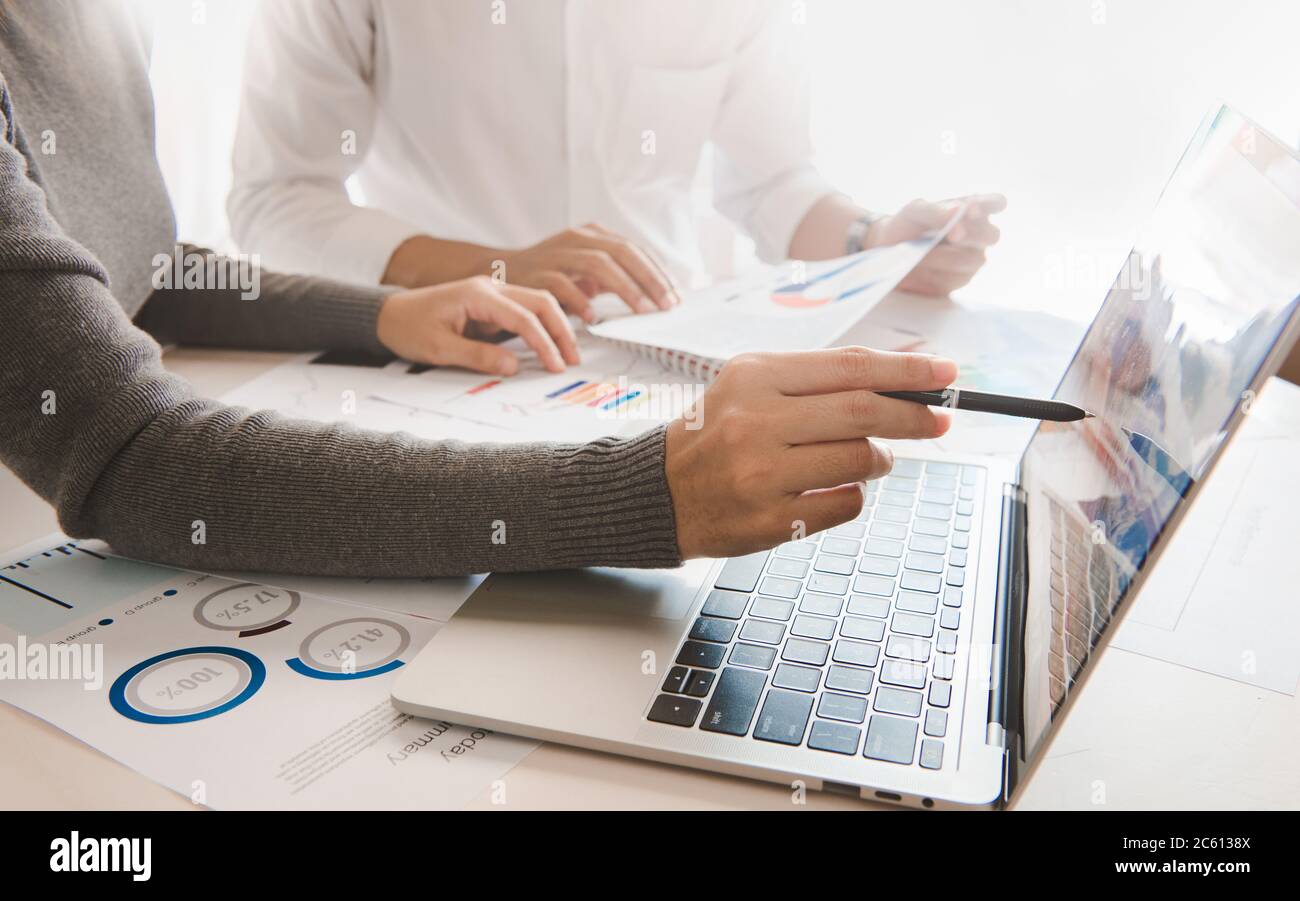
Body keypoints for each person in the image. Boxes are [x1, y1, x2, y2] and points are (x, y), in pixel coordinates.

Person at [0, 0, 956, 579]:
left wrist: (381, 313)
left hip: (643, 367)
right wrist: (650, 496)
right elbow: (128, 450)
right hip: (495, 413)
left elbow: (141, 263)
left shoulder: (98, 24)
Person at [227, 0, 1005, 320]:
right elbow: (276, 198)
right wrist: (497, 267)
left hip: (671, 363)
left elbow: (770, 183)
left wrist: (875, 241)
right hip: (441, 359)